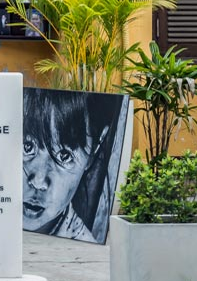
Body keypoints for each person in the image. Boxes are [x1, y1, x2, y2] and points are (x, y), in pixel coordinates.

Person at [22, 90, 124, 243]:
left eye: (65, 156)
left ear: (93, 151)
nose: (38, 181)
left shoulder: (85, 254)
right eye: (27, 147)